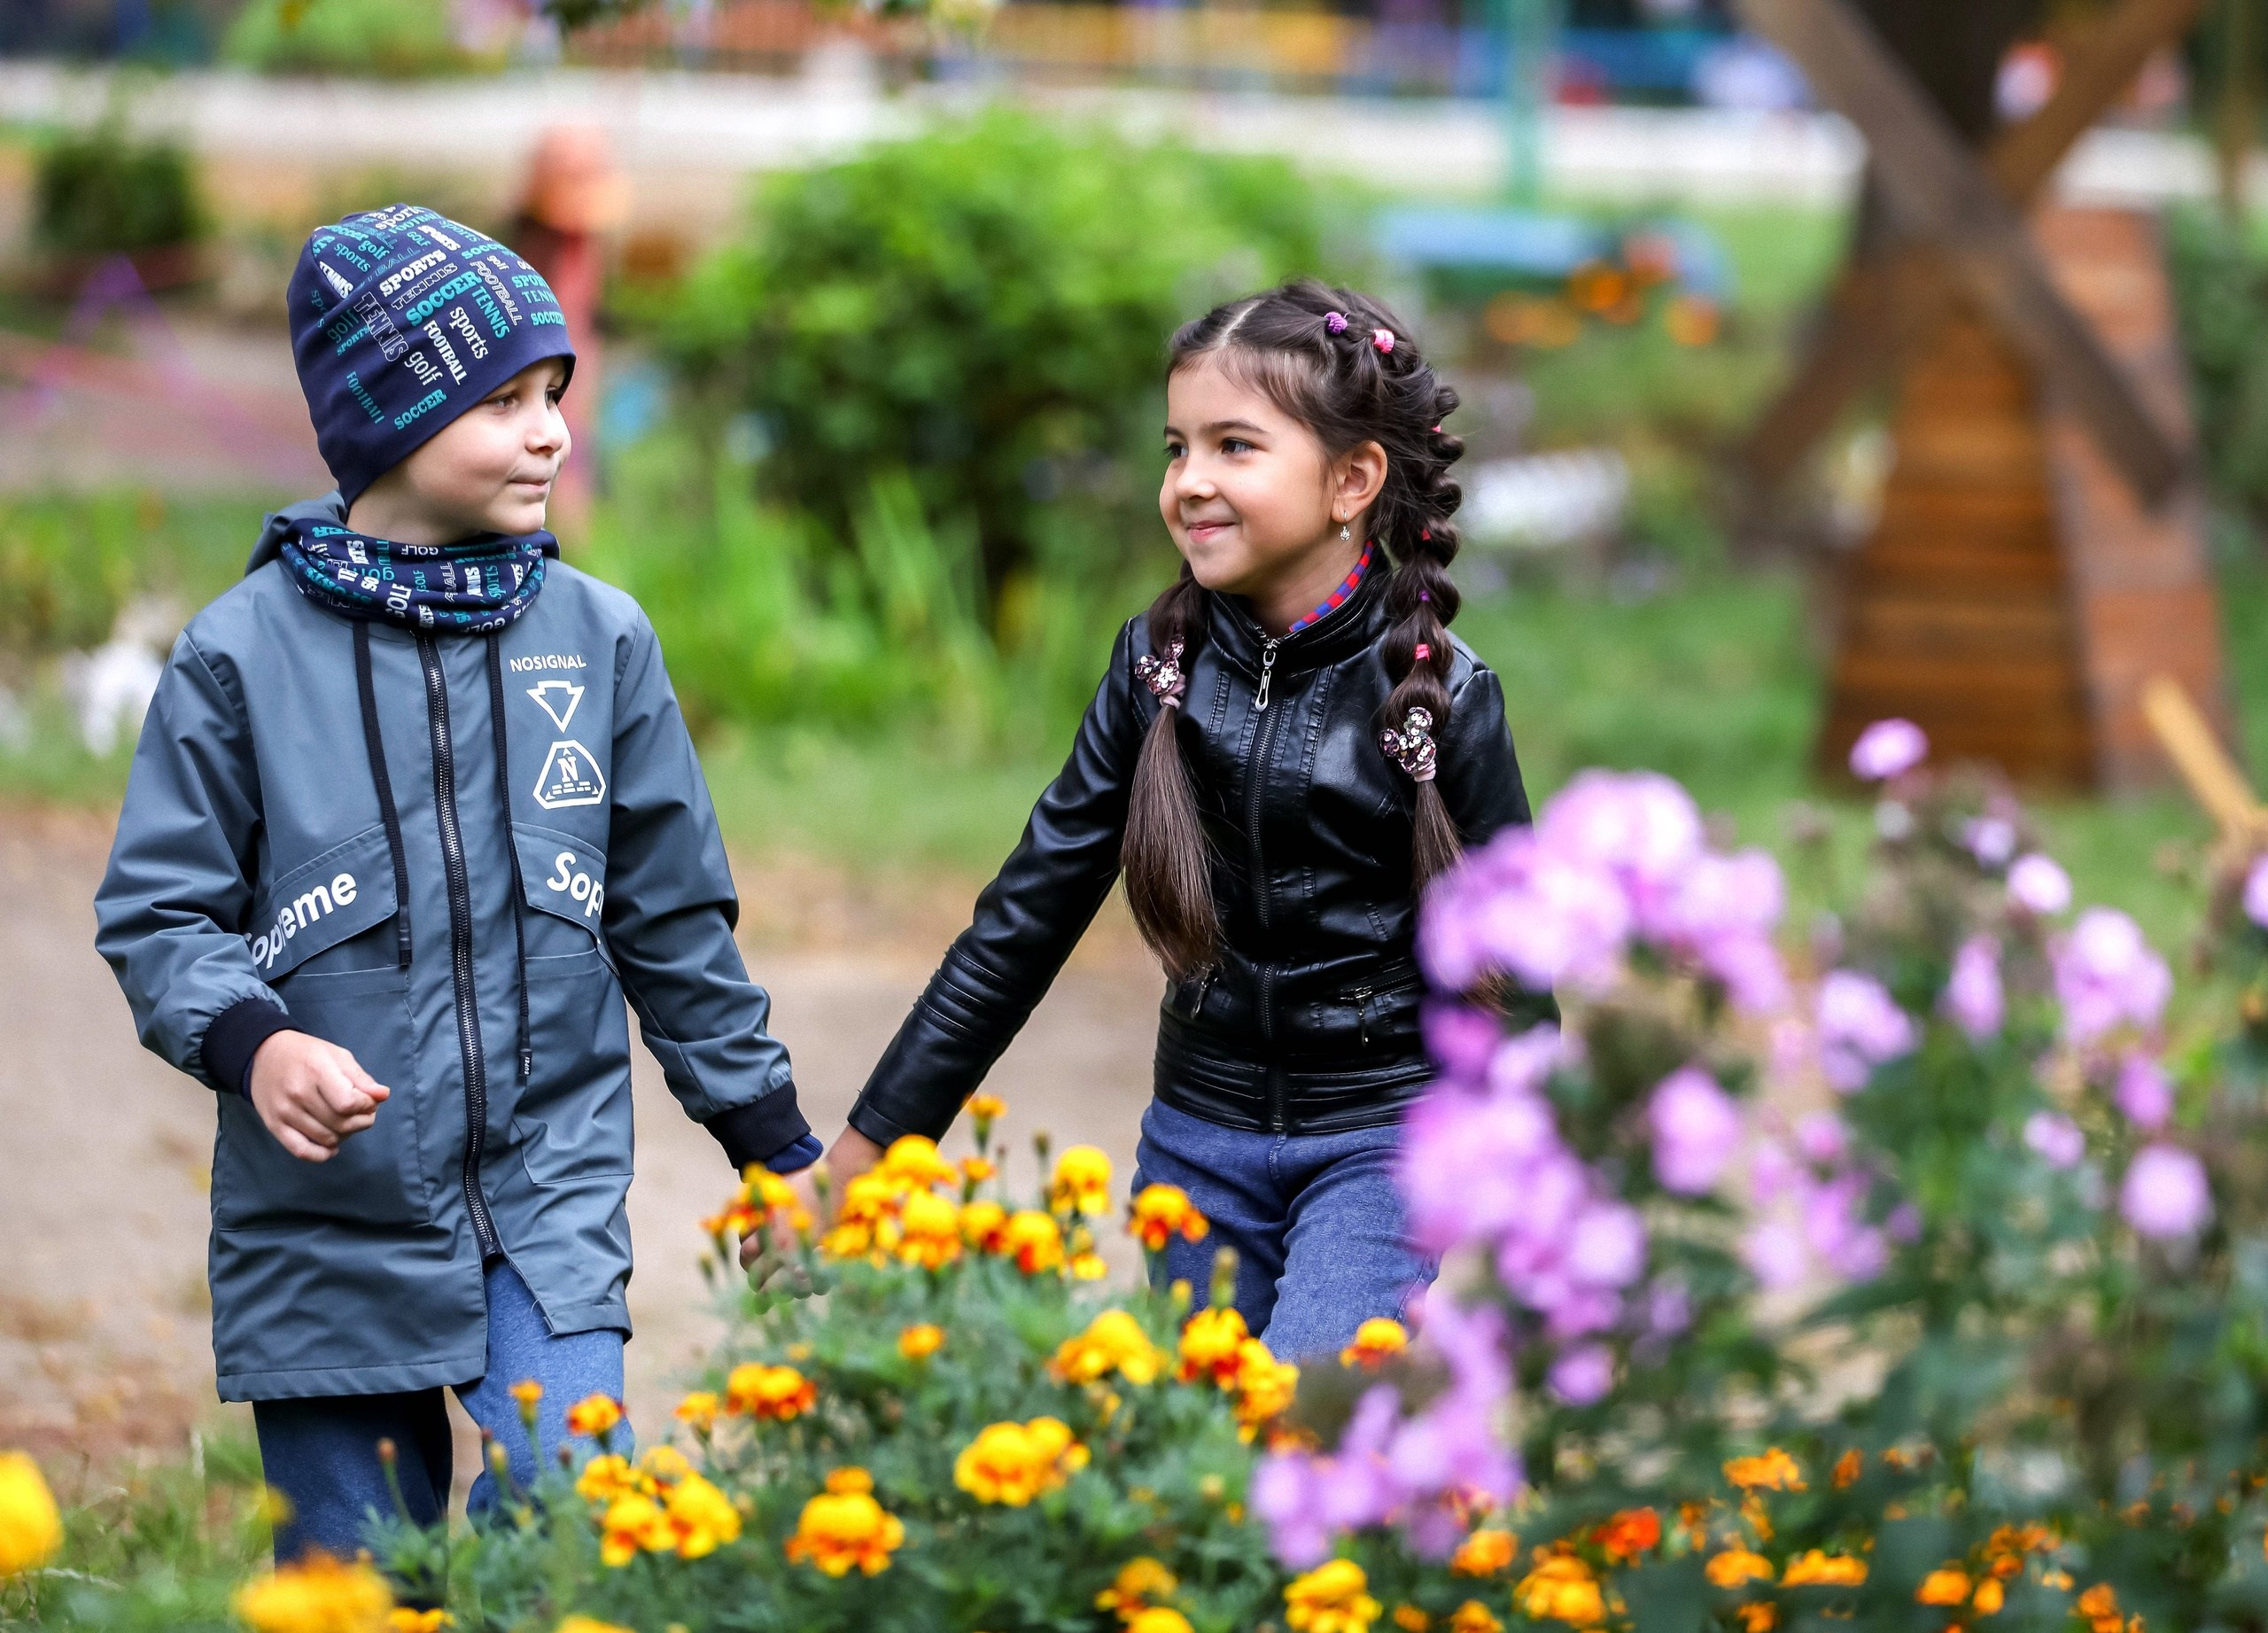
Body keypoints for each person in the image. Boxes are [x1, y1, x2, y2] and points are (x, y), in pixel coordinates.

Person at [93, 206, 818, 1562]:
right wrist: (256, 1043)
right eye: (501, 402)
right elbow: (161, 910)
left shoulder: (598, 642)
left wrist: (769, 1137)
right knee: (355, 1579)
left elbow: (671, 916)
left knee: (565, 1503)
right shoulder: (237, 657)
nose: (549, 430)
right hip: (323, 1217)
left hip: (547, 1188)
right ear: (382, 420)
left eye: (555, 394)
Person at [797, 281, 1531, 1359]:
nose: (1189, 483)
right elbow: (1022, 924)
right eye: (1174, 447)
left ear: (1351, 480)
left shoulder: (1444, 696)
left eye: (1234, 447)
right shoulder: (1156, 673)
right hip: (1198, 1145)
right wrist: (869, 1151)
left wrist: (1532, 1225)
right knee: (1202, 1459)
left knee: (1297, 1425)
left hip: (1381, 1147)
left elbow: (1520, 973)